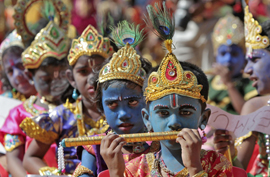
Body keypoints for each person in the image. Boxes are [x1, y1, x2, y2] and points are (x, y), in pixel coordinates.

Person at [99, 3, 233, 177]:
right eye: (163, 113)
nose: (174, 122)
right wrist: (116, 173)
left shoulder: (217, 164)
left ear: (203, 118)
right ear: (147, 119)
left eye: (185, 112)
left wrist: (194, 168)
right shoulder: (134, 170)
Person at [20, 24, 114, 175]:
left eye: (99, 70)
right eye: (83, 72)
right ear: (71, 78)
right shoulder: (62, 116)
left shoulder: (121, 112)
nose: (92, 78)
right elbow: (30, 158)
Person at [72, 20, 156, 177]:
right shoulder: (94, 148)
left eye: (132, 102)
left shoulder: (163, 144)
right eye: (112, 104)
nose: (123, 114)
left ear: (148, 102)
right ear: (101, 107)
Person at [0, 20, 70, 177]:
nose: (19, 75)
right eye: (10, 71)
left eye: (21, 66)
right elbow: (14, 160)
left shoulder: (75, 107)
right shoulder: (17, 114)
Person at [213, 3, 270, 176]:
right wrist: (228, 151)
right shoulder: (255, 107)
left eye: (255, 59)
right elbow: (236, 171)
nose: (247, 69)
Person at [0, 30, 37, 100]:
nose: (17, 75)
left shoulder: (56, 95)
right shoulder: (6, 102)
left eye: (21, 65)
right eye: (10, 71)